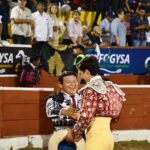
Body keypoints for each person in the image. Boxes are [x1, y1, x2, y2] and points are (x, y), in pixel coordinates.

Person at [66, 56, 126, 150]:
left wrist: (74, 133)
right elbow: (116, 116)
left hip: (96, 138)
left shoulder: (90, 89)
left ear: (87, 72)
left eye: (81, 73)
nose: (80, 76)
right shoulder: (112, 87)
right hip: (109, 138)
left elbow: (86, 117)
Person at [46, 71, 82, 149]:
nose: (73, 84)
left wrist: (75, 131)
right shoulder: (54, 98)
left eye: (74, 81)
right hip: (63, 139)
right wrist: (62, 111)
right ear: (60, 85)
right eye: (68, 82)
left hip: (81, 137)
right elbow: (49, 112)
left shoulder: (83, 97)